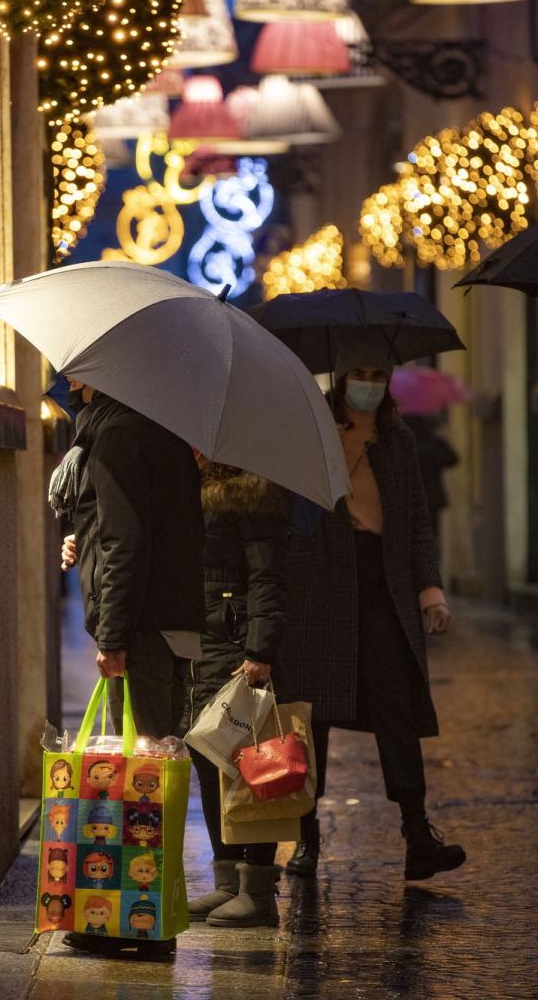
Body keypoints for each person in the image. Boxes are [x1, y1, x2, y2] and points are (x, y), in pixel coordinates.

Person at [285, 341, 466, 883]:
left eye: (377, 374)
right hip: (321, 583)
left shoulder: (397, 439)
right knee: (312, 713)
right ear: (342, 379)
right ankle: (306, 838)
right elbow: (293, 513)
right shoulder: (312, 432)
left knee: (395, 706)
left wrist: (430, 591)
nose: (369, 383)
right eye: (359, 373)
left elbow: (415, 523)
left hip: (383, 583)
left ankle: (418, 835)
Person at [53, 379, 205, 741]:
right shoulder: (158, 430)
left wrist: (112, 639)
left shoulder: (117, 437)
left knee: (143, 762)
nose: (70, 378)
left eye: (77, 372)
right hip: (165, 622)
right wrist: (87, 540)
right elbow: (152, 526)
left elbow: (126, 544)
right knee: (158, 755)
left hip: (142, 630)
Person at [186, 459, 292, 928]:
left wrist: (259, 649)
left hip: (237, 642)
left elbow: (268, 575)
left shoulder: (252, 489)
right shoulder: (185, 482)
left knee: (253, 764)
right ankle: (227, 879)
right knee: (208, 754)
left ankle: (258, 889)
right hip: (202, 638)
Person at [403, 413, 458, 538]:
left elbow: (452, 459)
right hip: (426, 499)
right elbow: (451, 459)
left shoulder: (406, 445)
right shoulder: (432, 444)